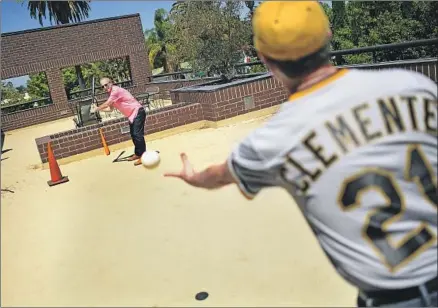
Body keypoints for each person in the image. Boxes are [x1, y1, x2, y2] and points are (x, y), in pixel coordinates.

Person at [164, 1, 437, 307]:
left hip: (394, 300)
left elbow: (218, 176)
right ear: (328, 34)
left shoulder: (271, 142)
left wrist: (194, 177)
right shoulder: (414, 86)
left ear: (265, 59)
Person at [96, 77, 146, 166]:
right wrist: (98, 110)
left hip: (138, 112)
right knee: (133, 135)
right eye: (102, 86)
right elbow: (110, 109)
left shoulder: (115, 90)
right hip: (131, 115)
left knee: (137, 135)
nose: (104, 87)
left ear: (111, 83)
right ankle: (138, 154)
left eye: (106, 84)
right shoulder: (111, 94)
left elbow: (107, 103)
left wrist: (97, 108)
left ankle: (143, 156)